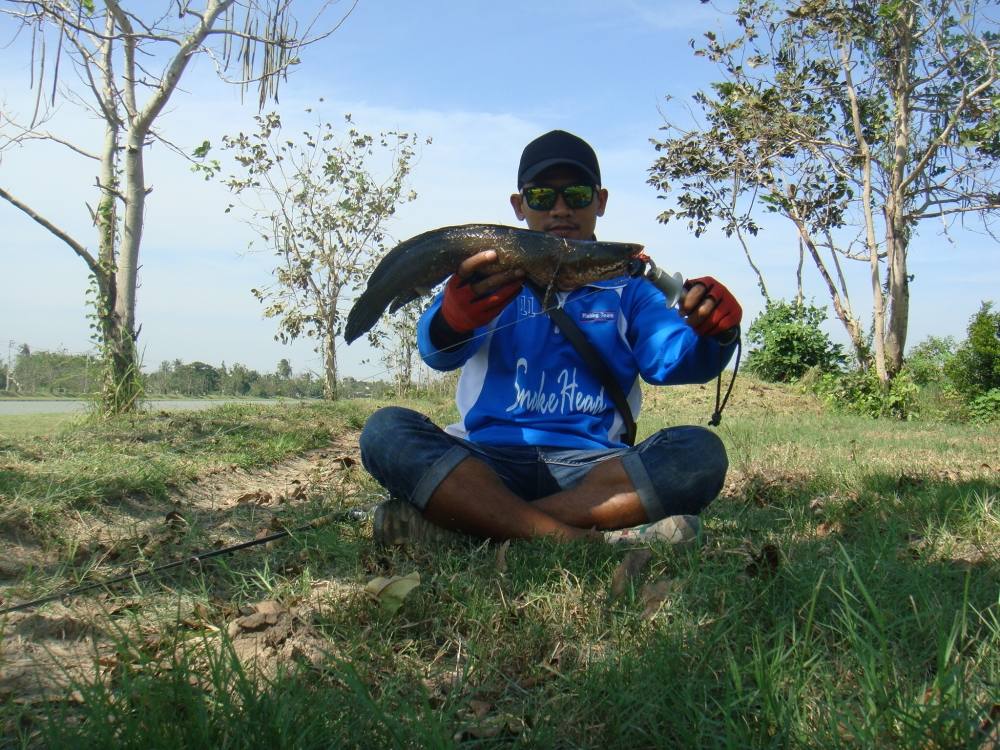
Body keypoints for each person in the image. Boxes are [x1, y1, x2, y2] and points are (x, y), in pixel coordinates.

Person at [359, 129, 741, 546]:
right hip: (486, 464)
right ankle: (582, 539)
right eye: (542, 197)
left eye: (576, 194)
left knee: (698, 454)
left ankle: (479, 525)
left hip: (593, 471)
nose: (560, 209)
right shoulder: (486, 275)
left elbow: (673, 359)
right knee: (384, 431)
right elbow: (438, 353)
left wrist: (714, 333)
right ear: (519, 206)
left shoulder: (631, 288)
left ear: (601, 200)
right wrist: (453, 318)